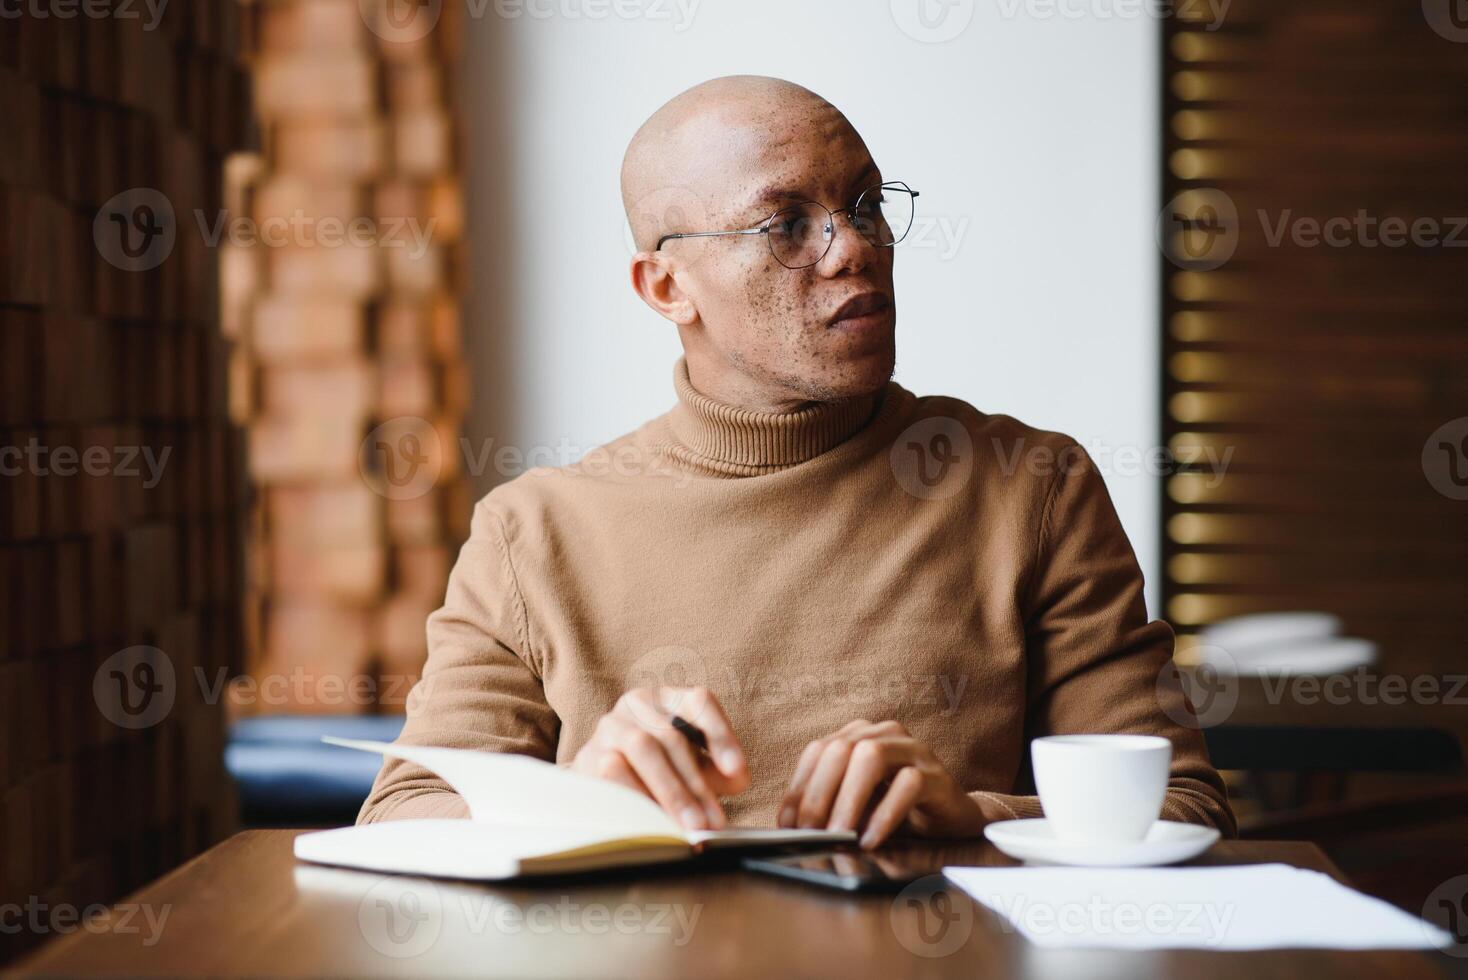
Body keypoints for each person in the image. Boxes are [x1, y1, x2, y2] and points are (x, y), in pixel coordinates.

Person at [359, 75, 1234, 848]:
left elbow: (1183, 808)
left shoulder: (1030, 486)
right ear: (667, 289)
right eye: (786, 224)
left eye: (864, 204)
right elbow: (403, 818)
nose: (852, 248)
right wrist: (570, 804)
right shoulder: (534, 531)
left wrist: (974, 817)